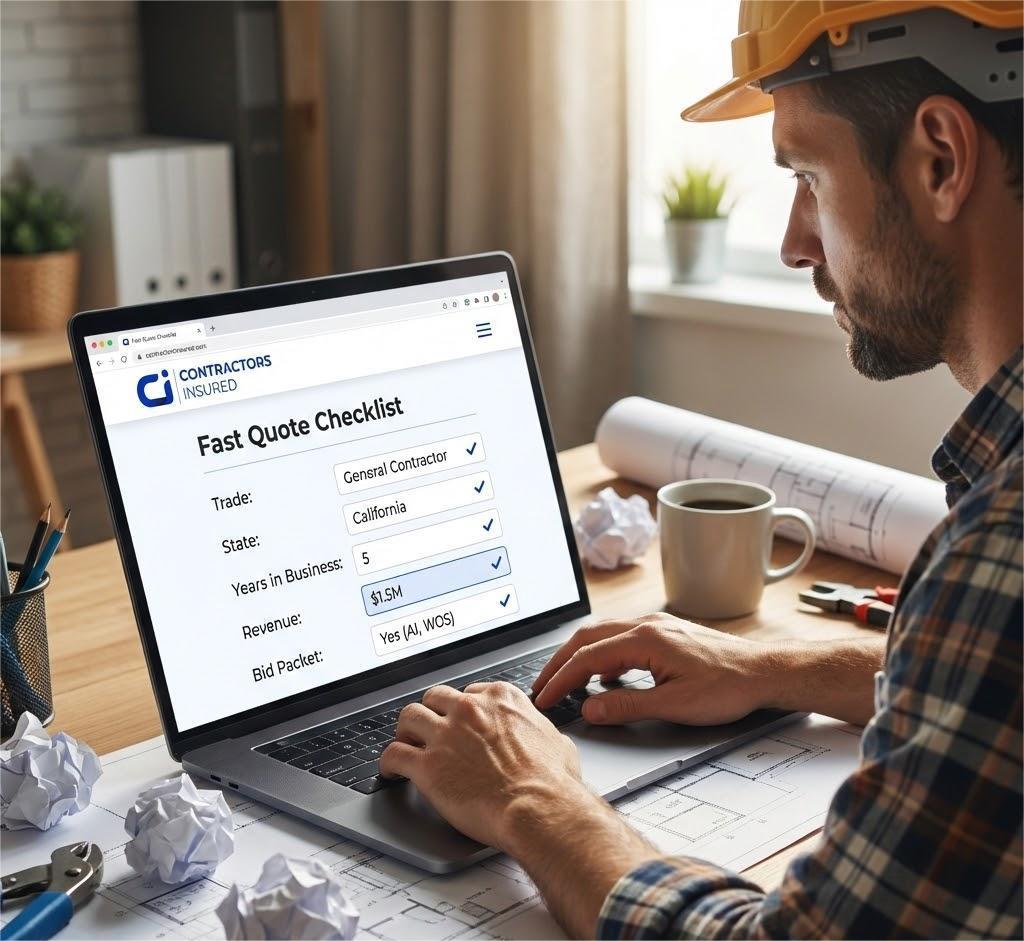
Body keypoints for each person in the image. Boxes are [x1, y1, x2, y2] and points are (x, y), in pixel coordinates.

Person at [381, 2, 1023, 936]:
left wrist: (534, 798)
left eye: (807, 173)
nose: (797, 241)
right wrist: (773, 665)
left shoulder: (1002, 550)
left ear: (940, 158)